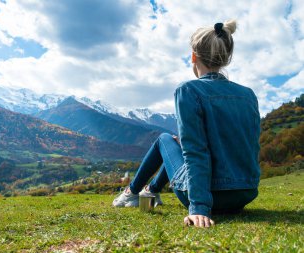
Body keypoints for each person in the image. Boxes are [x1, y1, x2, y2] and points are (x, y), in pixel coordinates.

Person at [112, 20, 261, 228]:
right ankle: (151, 191)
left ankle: (131, 193)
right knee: (177, 142)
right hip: (244, 192)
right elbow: (250, 145)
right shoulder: (248, 95)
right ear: (226, 57)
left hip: (210, 195)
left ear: (193, 56)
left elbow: (196, 150)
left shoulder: (189, 90)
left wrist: (199, 206)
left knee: (164, 139)